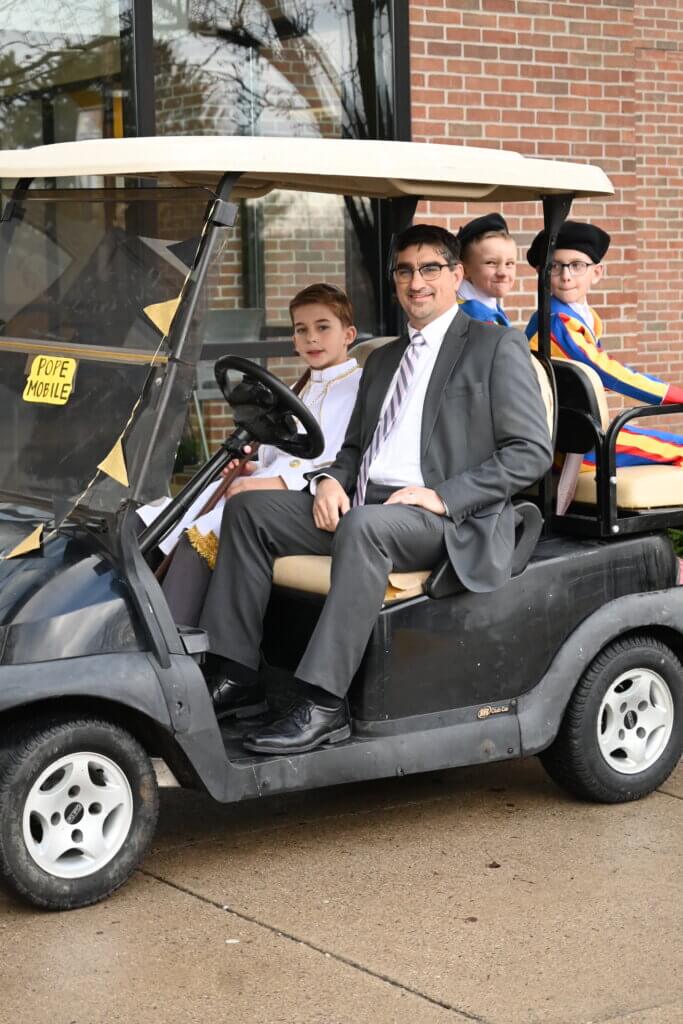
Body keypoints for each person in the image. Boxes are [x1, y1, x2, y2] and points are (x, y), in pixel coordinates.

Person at [199, 223, 553, 755]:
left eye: (430, 268)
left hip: (445, 516)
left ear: (456, 274)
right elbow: (353, 448)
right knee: (248, 510)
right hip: (369, 508)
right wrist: (327, 482)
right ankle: (238, 672)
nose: (416, 282)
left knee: (365, 527)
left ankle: (323, 703)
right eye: (405, 271)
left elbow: (530, 452)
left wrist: (444, 496)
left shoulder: (495, 345)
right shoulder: (383, 358)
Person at [139, 283, 362, 630]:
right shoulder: (302, 385)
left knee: (203, 531)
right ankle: (137, 617)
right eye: (301, 330)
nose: (311, 338)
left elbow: (336, 459)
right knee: (166, 515)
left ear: (348, 335)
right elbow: (278, 453)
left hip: (313, 497)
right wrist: (251, 467)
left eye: (323, 327)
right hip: (270, 486)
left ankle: (173, 636)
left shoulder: (359, 387)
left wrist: (264, 483)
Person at [526, 220, 683, 469]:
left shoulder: (581, 316)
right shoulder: (557, 322)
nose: (566, 276)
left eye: (577, 265)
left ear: (597, 272)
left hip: (581, 433)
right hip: (574, 445)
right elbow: (609, 373)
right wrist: (674, 395)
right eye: (555, 266)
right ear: (542, 273)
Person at [456, 213, 517, 326]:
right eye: (491, 263)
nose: (502, 272)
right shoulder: (470, 318)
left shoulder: (488, 307)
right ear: (464, 270)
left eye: (509, 263)